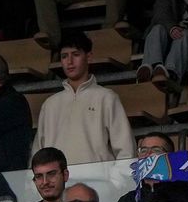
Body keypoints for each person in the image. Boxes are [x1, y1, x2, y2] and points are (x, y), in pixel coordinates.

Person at [34, 32, 134, 165]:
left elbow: (126, 148)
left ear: (89, 57)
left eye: (75, 55)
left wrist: (116, 184)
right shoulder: (50, 104)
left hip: (98, 183)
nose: (69, 61)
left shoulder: (107, 97)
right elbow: (38, 152)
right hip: (59, 183)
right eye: (64, 56)